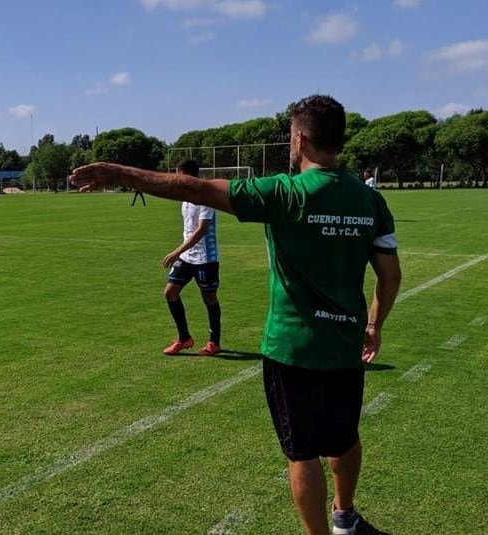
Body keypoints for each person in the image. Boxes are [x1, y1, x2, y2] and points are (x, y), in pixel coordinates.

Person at [70, 94, 402, 535]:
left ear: (300, 138)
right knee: (344, 437)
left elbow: (190, 187)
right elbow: (390, 275)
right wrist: (374, 325)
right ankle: (344, 515)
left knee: (302, 452)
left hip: (292, 349)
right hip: (344, 347)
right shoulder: (370, 200)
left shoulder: (284, 193)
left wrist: (116, 173)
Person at [162, 159, 222, 356]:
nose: (177, 178)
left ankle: (214, 342)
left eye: (179, 174)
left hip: (206, 258)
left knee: (209, 299)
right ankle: (184, 338)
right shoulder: (185, 197)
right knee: (170, 292)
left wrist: (176, 251)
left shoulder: (206, 196)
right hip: (187, 257)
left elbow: (201, 230)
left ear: (188, 175)